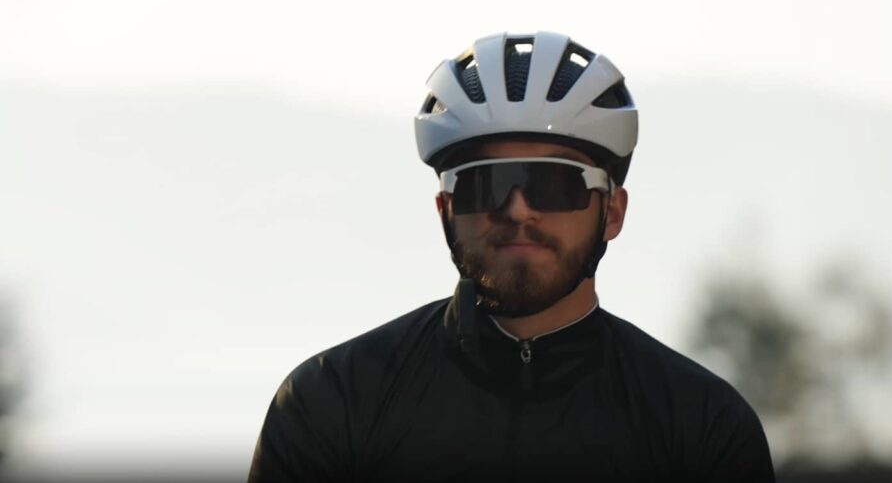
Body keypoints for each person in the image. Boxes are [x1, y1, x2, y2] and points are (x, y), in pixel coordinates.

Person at [247, 31, 775, 482]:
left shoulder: (702, 426)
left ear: (612, 212)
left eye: (555, 183)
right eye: (485, 184)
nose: (518, 209)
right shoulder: (332, 402)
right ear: (445, 211)